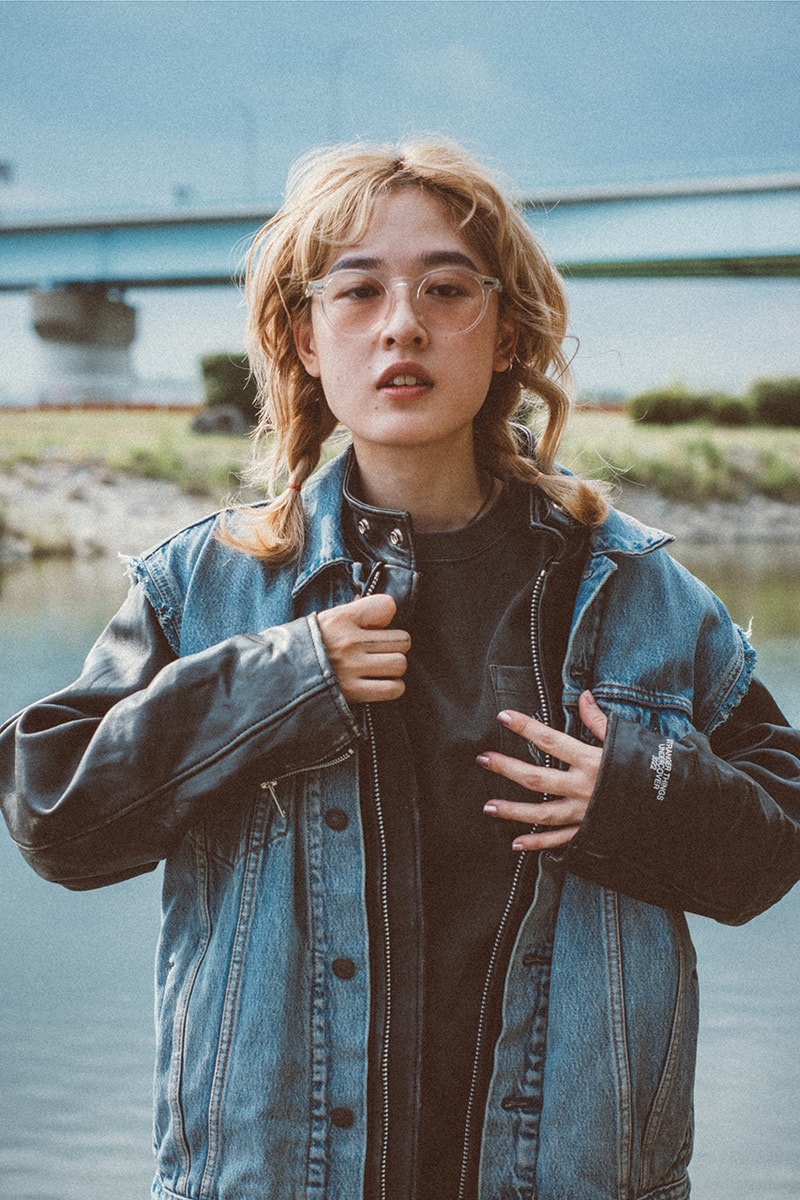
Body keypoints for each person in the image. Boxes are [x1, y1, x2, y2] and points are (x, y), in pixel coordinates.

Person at [2, 138, 800, 1200]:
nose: (401, 325)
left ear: (504, 328)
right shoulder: (203, 587)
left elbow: (773, 839)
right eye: (358, 290)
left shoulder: (636, 590)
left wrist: (639, 793)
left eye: (445, 288)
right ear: (303, 335)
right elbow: (55, 813)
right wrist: (272, 686)